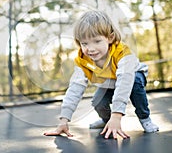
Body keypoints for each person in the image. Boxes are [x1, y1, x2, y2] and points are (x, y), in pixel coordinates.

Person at [44, 10, 159, 139]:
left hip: (132, 76)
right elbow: (75, 89)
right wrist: (64, 120)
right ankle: (106, 121)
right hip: (109, 82)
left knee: (135, 84)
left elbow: (124, 84)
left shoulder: (123, 53)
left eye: (97, 41)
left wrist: (117, 115)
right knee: (98, 102)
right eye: (84, 43)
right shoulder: (83, 60)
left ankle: (145, 118)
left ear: (110, 38)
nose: (91, 48)